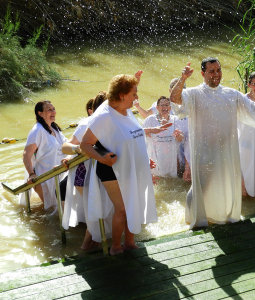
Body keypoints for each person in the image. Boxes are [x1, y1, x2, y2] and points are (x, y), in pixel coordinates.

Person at [170, 57, 255, 228]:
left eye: (218, 70)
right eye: (211, 71)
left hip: (227, 152)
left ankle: (224, 217)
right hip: (204, 153)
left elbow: (252, 108)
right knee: (201, 188)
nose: (216, 74)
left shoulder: (231, 94)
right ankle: (194, 220)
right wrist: (183, 78)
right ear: (202, 73)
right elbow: (175, 100)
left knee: (227, 186)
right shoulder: (194, 94)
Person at [80, 74, 161, 255]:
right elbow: (84, 144)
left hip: (132, 167)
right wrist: (103, 158)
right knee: (123, 209)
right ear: (122, 95)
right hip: (111, 168)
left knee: (135, 203)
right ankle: (116, 246)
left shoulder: (126, 110)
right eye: (134, 93)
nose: (136, 98)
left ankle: (130, 242)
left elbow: (133, 136)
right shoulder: (104, 115)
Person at [61, 91, 107, 250]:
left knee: (101, 207)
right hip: (85, 172)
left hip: (104, 169)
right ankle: (88, 244)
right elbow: (65, 146)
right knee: (95, 207)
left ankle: (96, 240)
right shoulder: (86, 123)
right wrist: (78, 150)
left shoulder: (117, 122)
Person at [22, 100, 67, 211]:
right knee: (51, 211)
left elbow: (66, 145)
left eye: (53, 109)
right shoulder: (37, 130)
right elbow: (26, 154)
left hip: (59, 174)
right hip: (44, 178)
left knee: (61, 209)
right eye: (49, 110)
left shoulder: (55, 128)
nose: (53, 112)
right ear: (40, 113)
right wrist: (31, 174)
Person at [143, 96, 185, 178]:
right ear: (157, 108)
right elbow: (143, 136)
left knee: (172, 181)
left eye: (167, 105)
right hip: (155, 158)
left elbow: (181, 139)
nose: (165, 107)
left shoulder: (176, 120)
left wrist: (178, 136)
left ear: (170, 107)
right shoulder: (150, 120)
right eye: (162, 105)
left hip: (172, 160)